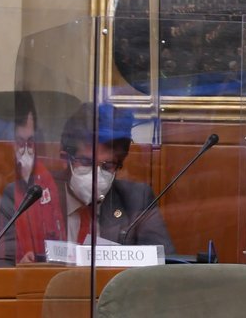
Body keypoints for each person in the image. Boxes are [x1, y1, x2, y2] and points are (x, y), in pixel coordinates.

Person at [49, 102, 174, 254]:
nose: (96, 174)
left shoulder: (136, 200)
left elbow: (161, 265)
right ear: (65, 159)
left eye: (108, 166)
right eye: (86, 162)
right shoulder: (33, 199)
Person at [0, 91, 65, 266]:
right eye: (19, 143)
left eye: (30, 143)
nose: (25, 152)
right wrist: (18, 268)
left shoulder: (46, 183)